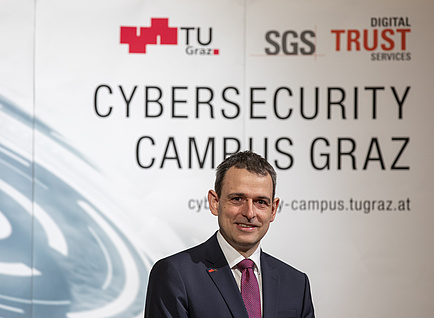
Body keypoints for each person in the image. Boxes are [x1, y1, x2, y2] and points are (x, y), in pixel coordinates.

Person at [144, 151, 315, 318]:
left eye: (260, 202)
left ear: (273, 209)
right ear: (214, 202)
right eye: (237, 199)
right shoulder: (175, 275)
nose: (249, 213)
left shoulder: (296, 284)